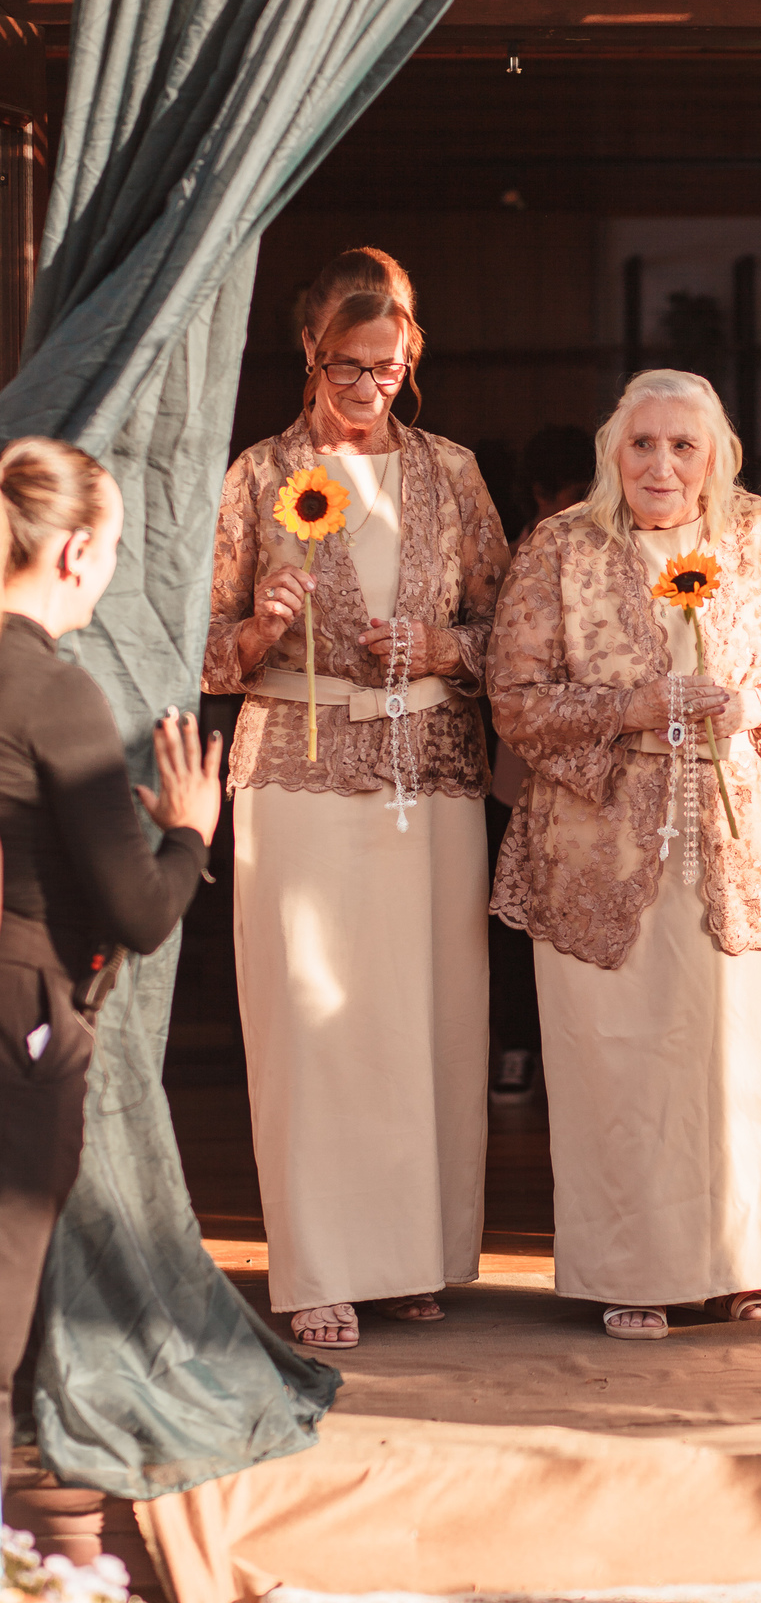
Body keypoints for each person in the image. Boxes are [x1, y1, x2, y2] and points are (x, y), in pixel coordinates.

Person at [487, 369, 761, 1340]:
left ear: (718, 456)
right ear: (614, 451)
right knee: (619, 1059)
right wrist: (630, 710)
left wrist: (759, 706)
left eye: (682, 445)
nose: (660, 463)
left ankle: (751, 1265)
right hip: (597, 852)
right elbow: (516, 697)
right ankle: (630, 1272)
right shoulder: (563, 547)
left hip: (743, 847)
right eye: (642, 444)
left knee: (745, 1058)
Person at [203, 246, 509, 1350]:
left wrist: (440, 643)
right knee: (313, 1017)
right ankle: (322, 1264)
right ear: (309, 355)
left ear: (410, 358)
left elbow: (510, 635)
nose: (367, 387)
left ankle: (415, 1255)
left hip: (430, 769)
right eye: (347, 365)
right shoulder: (255, 476)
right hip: (298, 762)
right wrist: (258, 629)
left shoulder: (452, 473)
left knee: (428, 1014)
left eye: (387, 366)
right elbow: (198, 648)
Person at [0, 437, 220, 1484]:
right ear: (78, 554)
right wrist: (189, 831)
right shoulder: (54, 693)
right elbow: (139, 913)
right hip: (22, 1021)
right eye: (121, 546)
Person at [488, 423, 596, 1105]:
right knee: (518, 909)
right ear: (539, 495)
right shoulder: (526, 553)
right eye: (573, 494)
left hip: (591, 756)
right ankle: (520, 1046)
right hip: (526, 760)